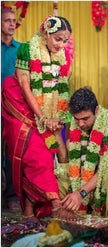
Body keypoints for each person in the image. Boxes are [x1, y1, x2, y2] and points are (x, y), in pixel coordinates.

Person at [1, 15, 78, 223]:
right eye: (58, 39)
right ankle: (55, 206)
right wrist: (43, 117)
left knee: (42, 154)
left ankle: (28, 213)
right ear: (45, 33)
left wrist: (57, 116)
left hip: (46, 108)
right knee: (33, 152)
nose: (61, 45)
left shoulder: (62, 55)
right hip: (20, 104)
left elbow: (60, 87)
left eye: (65, 40)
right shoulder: (27, 50)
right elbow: (26, 87)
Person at [59, 88, 108, 229]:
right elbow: (71, 149)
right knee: (61, 171)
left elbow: (107, 165)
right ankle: (67, 212)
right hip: (94, 165)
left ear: (97, 111)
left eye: (85, 118)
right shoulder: (78, 124)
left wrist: (81, 193)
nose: (80, 124)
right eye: (76, 119)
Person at [1, 7, 21, 212]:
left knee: (13, 154)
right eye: (7, 20)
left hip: (14, 111)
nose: (12, 24)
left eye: (13, 20)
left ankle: (12, 196)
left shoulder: (21, 49)